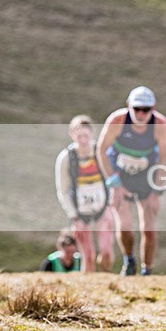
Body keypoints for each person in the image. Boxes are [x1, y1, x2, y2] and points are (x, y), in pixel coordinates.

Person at [97, 86, 166, 276]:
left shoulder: (160, 124)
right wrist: (114, 183)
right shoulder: (117, 120)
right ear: (128, 105)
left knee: (149, 228)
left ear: (153, 108)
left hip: (146, 176)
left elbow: (163, 159)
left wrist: (157, 191)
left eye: (146, 110)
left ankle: (147, 272)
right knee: (126, 224)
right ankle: (129, 261)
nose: (141, 114)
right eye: (137, 109)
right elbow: (101, 150)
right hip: (121, 175)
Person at [55, 115, 116, 273]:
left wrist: (110, 204)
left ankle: (107, 280)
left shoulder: (101, 153)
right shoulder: (66, 158)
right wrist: (74, 216)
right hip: (80, 211)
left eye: (86, 135)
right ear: (72, 135)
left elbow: (112, 178)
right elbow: (63, 189)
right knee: (87, 255)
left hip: (102, 207)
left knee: (106, 252)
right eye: (79, 135)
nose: (83, 140)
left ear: (92, 134)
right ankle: (90, 288)